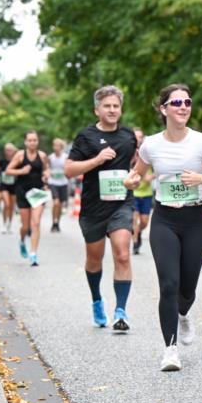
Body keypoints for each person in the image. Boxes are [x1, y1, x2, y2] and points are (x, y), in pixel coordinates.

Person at [124, 84, 202, 371]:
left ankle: (183, 314)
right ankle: (170, 350)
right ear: (163, 108)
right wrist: (131, 181)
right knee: (168, 285)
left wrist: (201, 180)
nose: (183, 107)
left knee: (187, 289)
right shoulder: (151, 144)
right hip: (164, 219)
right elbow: (137, 174)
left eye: (187, 102)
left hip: (195, 221)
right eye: (176, 102)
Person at [65, 85, 138, 331]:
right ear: (97, 110)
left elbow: (137, 165)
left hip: (122, 204)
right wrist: (97, 160)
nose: (112, 110)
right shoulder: (85, 137)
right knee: (94, 260)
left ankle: (121, 311)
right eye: (107, 106)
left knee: (123, 253)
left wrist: (136, 176)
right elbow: (69, 169)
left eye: (116, 106)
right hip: (93, 208)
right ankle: (97, 299)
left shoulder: (129, 136)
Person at [6, 131, 49, 266]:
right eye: (29, 140)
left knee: (35, 223)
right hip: (23, 192)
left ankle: (33, 254)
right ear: (25, 142)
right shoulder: (20, 155)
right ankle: (22, 240)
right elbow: (8, 170)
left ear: (37, 142)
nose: (32, 142)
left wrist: (46, 175)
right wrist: (21, 171)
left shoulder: (42, 156)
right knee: (25, 226)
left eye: (34, 140)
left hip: (37, 193)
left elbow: (46, 170)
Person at [130, 127, 155, 254]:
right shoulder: (129, 152)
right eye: (135, 137)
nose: (138, 139)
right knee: (134, 218)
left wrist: (151, 176)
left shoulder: (148, 152)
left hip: (146, 193)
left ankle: (137, 233)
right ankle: (135, 243)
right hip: (133, 193)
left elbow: (157, 168)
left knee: (144, 222)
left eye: (140, 137)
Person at [48, 138, 71, 232]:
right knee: (56, 202)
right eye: (54, 145)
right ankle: (53, 221)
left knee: (61, 205)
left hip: (63, 182)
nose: (55, 147)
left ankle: (57, 223)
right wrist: (49, 172)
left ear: (61, 147)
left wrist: (66, 172)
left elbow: (68, 168)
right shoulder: (50, 157)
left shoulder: (65, 157)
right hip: (53, 182)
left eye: (57, 145)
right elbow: (47, 168)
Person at [0, 144, 18, 233]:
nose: (8, 152)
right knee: (7, 204)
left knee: (12, 206)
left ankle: (9, 224)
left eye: (10, 150)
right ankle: (4, 224)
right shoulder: (1, 161)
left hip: (13, 185)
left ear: (13, 151)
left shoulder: (16, 161)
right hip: (4, 185)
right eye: (6, 150)